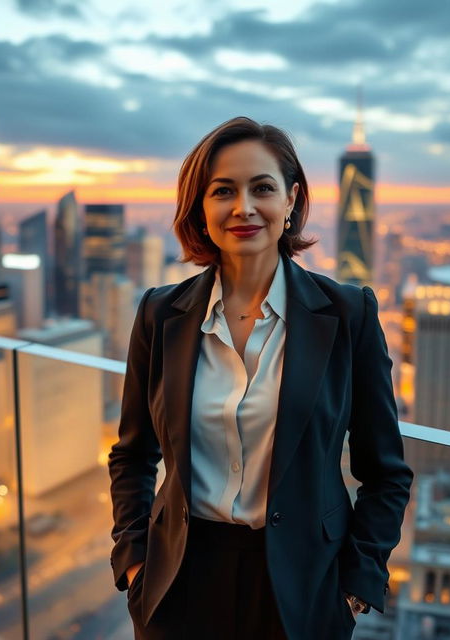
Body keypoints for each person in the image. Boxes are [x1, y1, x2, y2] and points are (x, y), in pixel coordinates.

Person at [108, 116, 413, 640]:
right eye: (223, 190)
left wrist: (355, 587)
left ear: (291, 199)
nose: (243, 207)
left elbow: (386, 473)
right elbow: (133, 454)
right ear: (201, 208)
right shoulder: (161, 315)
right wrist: (135, 561)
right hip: (179, 581)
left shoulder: (347, 315)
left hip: (300, 590)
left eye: (262, 188)